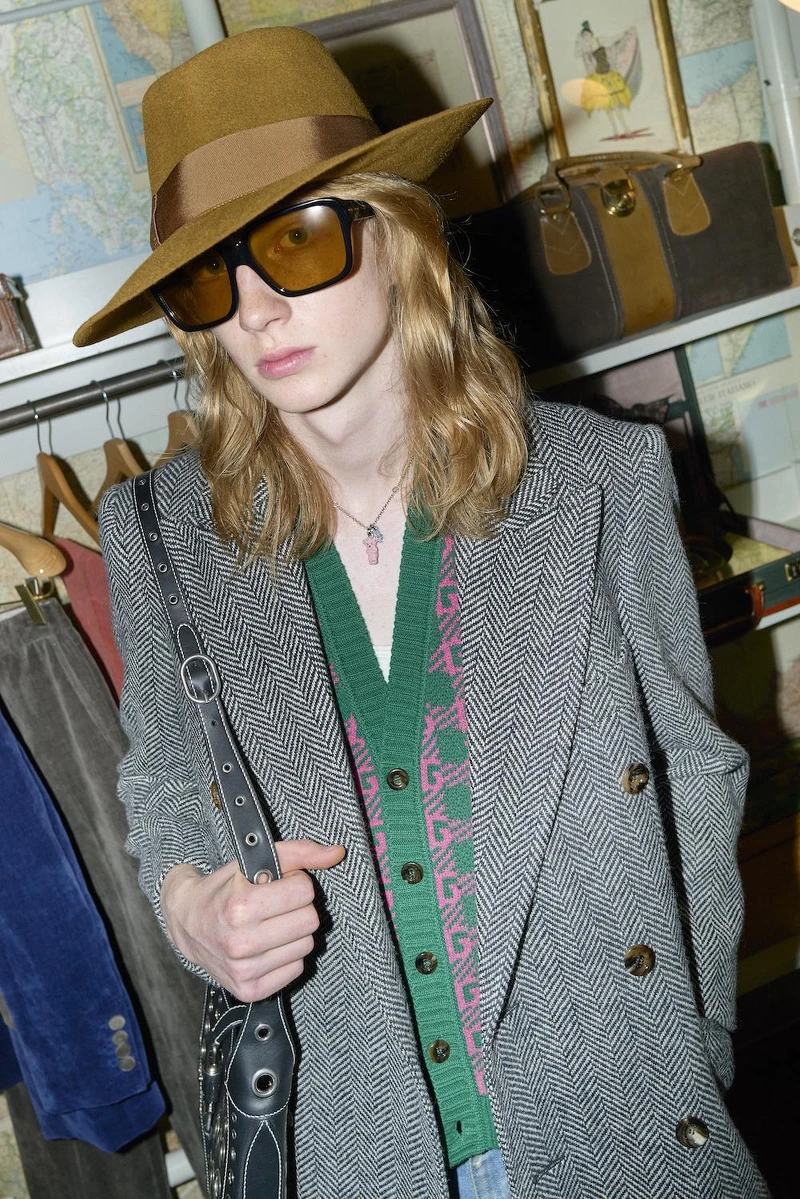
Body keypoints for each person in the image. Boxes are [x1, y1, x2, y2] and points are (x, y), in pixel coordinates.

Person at [74, 26, 769, 1199]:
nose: (255, 309)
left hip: (612, 1112)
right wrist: (190, 906)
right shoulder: (159, 534)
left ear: (393, 234)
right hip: (353, 1139)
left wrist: (687, 1050)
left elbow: (693, 776)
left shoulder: (600, 481)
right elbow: (161, 784)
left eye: (294, 240)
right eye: (208, 275)